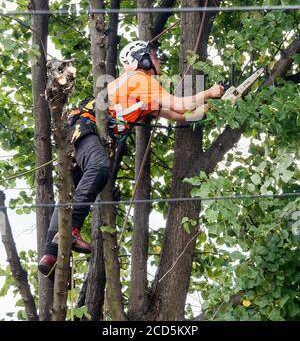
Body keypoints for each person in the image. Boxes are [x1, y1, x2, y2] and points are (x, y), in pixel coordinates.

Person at [38, 40, 224, 278]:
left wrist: (212, 107)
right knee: (99, 166)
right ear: (141, 58)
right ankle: (70, 230)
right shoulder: (139, 79)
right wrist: (209, 92)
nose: (159, 60)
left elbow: (181, 115)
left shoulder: (140, 91)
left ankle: (50, 255)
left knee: (72, 191)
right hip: (87, 126)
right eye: (154, 55)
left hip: (81, 132)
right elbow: (181, 104)